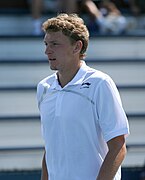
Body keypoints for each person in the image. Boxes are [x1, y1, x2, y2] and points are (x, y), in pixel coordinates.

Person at [37, 13, 130, 180]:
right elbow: (50, 147)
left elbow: (118, 146)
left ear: (77, 47)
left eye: (55, 44)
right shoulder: (43, 88)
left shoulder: (100, 83)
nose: (47, 51)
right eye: (46, 44)